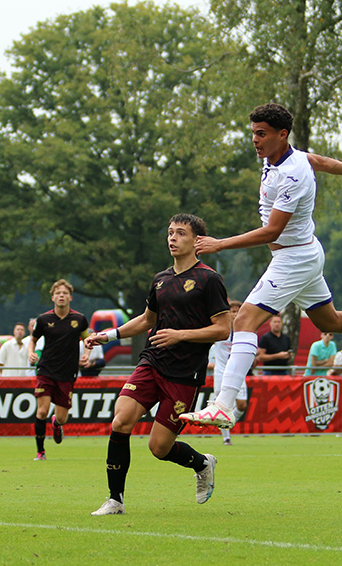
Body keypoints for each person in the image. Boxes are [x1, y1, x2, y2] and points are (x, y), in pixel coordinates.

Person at [180, 103, 342, 429]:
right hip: (305, 252)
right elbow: (321, 161)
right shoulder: (287, 156)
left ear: (281, 135)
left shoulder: (292, 174)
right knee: (330, 319)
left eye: (262, 134)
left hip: (293, 258)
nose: (255, 140)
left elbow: (272, 231)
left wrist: (220, 244)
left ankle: (224, 405)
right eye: (253, 133)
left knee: (243, 320)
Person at [85, 213, 230, 516]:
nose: (172, 238)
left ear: (196, 241)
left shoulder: (209, 280)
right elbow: (147, 320)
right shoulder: (161, 279)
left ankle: (203, 463)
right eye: (170, 233)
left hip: (185, 373)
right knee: (121, 419)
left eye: (180, 233)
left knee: (159, 448)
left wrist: (181, 335)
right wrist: (109, 335)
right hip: (152, 361)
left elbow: (223, 329)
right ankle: (115, 499)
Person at [27, 279, 91, 461]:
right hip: (46, 369)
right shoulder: (44, 319)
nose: (61, 296)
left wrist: (86, 353)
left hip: (68, 372)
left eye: (64, 293)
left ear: (70, 297)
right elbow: (32, 339)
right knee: (42, 411)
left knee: (62, 418)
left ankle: (56, 424)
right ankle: (40, 452)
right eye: (58, 293)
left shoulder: (79, 319)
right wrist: (31, 353)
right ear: (53, 297)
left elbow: (87, 339)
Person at [207, 300, 246, 445]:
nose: (235, 315)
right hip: (221, 372)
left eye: (237, 311)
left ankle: (228, 424)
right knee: (223, 405)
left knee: (241, 405)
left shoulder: (243, 331)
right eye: (233, 311)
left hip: (238, 372)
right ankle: (226, 438)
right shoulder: (220, 330)